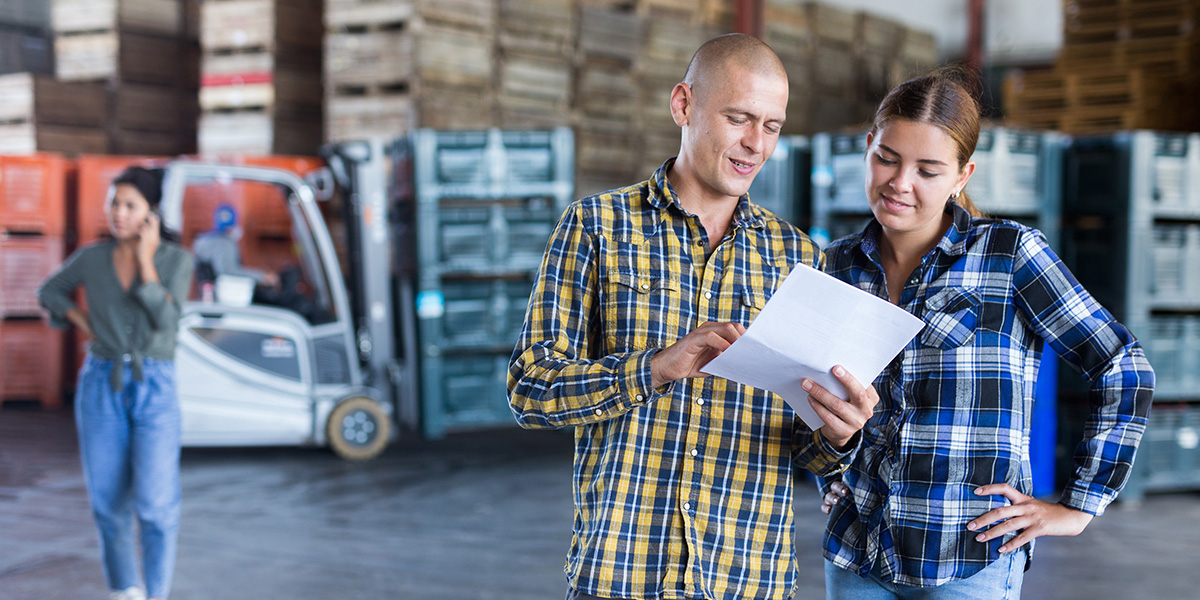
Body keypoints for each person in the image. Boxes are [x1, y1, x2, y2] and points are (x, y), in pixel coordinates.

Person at [508, 34, 880, 600]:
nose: (755, 144)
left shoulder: (797, 258)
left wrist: (838, 433)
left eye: (772, 127)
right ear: (683, 105)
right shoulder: (596, 226)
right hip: (620, 574)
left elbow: (802, 447)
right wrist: (654, 368)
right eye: (738, 118)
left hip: (746, 580)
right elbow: (530, 388)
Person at [812, 68, 1154, 599]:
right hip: (858, 549)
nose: (901, 183)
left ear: (962, 175)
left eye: (928, 170)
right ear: (867, 148)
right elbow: (816, 394)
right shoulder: (837, 266)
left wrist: (1078, 507)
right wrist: (829, 468)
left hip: (970, 558)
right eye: (887, 158)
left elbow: (1122, 366)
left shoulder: (1010, 256)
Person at [38, 166, 194, 600]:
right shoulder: (92, 257)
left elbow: (167, 320)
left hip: (155, 385)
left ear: (151, 212)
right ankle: (125, 590)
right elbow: (50, 292)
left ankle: (157, 593)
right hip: (101, 382)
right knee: (108, 504)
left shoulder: (175, 260)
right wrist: (82, 321)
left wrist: (145, 261)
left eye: (129, 205)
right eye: (113, 203)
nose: (118, 213)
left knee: (156, 507)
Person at [191, 202, 279, 290]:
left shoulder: (205, 240)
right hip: (225, 294)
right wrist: (262, 277)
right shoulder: (224, 243)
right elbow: (228, 271)